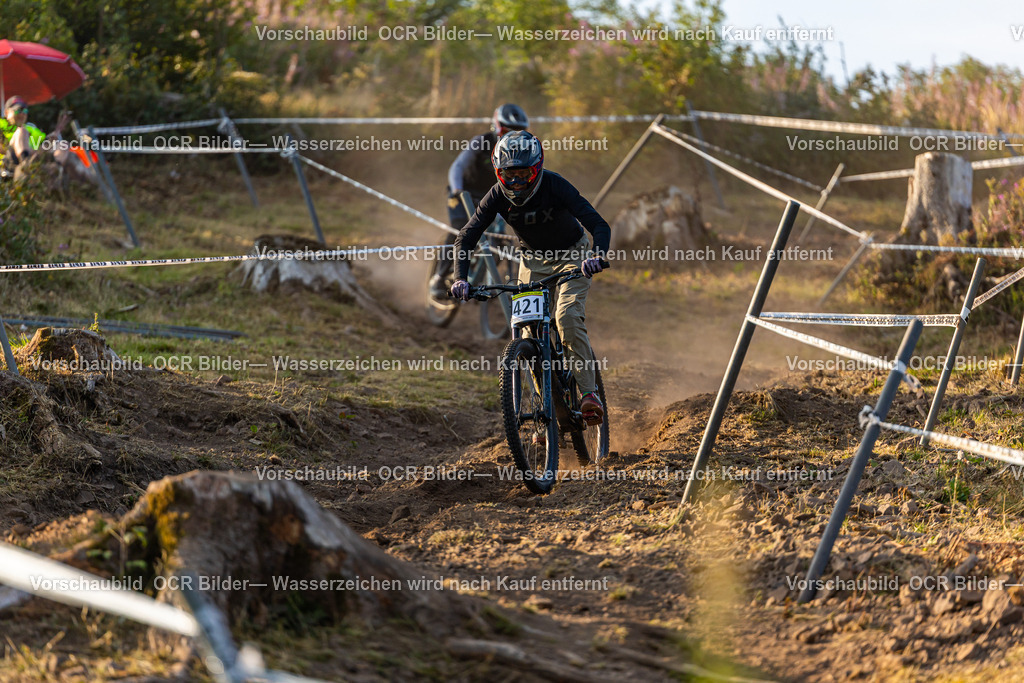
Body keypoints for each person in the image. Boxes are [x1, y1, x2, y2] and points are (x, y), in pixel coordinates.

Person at [451, 130, 610, 423]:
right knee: (526, 332)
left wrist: (596, 256)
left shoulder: (555, 185)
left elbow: (599, 225)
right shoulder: (497, 194)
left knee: (566, 318)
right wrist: (460, 278)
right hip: (533, 261)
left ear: (537, 169)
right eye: (509, 176)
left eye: (524, 175)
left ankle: (589, 395)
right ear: (499, 173)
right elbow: (466, 237)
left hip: (571, 255)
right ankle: (545, 409)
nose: (517, 183)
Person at [428, 103, 529, 299]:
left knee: (498, 240)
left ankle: (482, 278)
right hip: (464, 192)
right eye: (509, 130)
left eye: (518, 131)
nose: (513, 136)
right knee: (459, 229)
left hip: (492, 198)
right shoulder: (482, 142)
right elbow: (457, 167)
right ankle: (439, 278)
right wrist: (457, 189)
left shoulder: (521, 151)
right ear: (498, 127)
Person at [1, 96, 47, 177]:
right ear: (6, 113)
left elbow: (40, 149)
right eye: (18, 110)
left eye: (25, 110)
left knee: (62, 146)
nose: (22, 114)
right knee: (21, 131)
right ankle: (25, 163)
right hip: (6, 167)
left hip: (33, 162)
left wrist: (54, 136)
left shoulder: (31, 129)